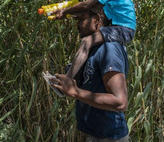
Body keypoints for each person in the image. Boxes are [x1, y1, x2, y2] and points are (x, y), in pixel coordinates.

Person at [51, 10, 130, 142]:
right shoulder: (93, 48)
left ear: (96, 20)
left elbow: (120, 102)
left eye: (81, 19)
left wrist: (76, 92)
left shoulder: (108, 49)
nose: (77, 24)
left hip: (111, 137)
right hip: (96, 134)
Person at [52, 0, 136, 79]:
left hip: (123, 29)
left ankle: (68, 79)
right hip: (119, 27)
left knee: (86, 42)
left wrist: (65, 11)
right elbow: (91, 10)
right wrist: (68, 13)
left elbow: (87, 5)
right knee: (90, 44)